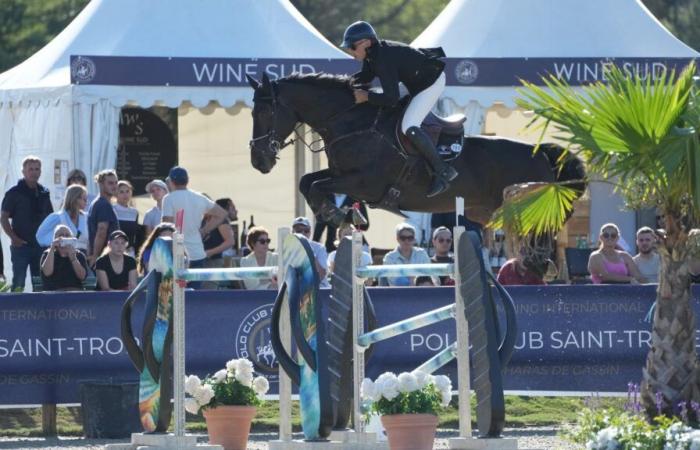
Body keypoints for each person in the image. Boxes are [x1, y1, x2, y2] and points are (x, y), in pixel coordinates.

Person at [340, 20, 457, 197]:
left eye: (351, 46)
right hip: (415, 81)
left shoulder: (382, 58)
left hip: (431, 83)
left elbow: (391, 99)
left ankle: (443, 171)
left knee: (408, 126)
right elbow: (365, 76)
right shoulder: (373, 54)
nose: (350, 51)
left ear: (365, 42)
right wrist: (341, 84)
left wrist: (366, 97)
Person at [161, 166, 228, 287]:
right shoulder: (199, 198)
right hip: (197, 253)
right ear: (187, 180)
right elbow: (222, 214)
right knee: (194, 296)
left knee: (176, 298)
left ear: (171, 181)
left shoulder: (168, 199)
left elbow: (166, 227)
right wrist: (204, 230)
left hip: (176, 254)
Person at [1, 156, 54, 290]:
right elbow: (3, 217)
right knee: (19, 282)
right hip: (21, 247)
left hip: (40, 246)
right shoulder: (14, 193)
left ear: (40, 172)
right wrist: (14, 238)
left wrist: (49, 240)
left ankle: (39, 310)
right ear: (23, 171)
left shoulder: (44, 192)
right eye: (30, 169)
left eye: (37, 169)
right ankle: (15, 310)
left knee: (40, 283)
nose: (34, 172)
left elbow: (51, 218)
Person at [36, 184, 89, 253]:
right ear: (75, 198)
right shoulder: (58, 217)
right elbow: (40, 235)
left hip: (83, 258)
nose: (86, 202)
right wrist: (58, 241)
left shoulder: (86, 217)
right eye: (84, 199)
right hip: (62, 257)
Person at [40, 225, 88, 291]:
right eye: (61, 235)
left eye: (67, 235)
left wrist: (73, 259)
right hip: (53, 294)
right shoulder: (47, 254)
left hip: (74, 293)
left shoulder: (79, 255)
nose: (64, 238)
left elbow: (82, 276)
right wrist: (52, 248)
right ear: (55, 238)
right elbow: (47, 273)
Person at [88, 169, 119, 268]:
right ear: (101, 184)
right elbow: (101, 231)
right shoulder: (103, 204)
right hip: (105, 258)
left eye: (115, 183)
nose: (114, 186)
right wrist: (96, 256)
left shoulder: (96, 203)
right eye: (110, 183)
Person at [201, 204, 235, 290]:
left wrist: (211, 252)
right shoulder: (202, 220)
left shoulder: (220, 221)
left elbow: (230, 241)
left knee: (207, 291)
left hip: (213, 261)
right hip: (201, 260)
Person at [292, 217, 329, 287]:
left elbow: (321, 275)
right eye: (298, 231)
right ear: (293, 232)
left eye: (306, 230)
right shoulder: (289, 249)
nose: (302, 233)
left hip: (319, 289)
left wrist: (309, 252)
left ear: (310, 232)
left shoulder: (320, 248)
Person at [113, 180, 141, 254]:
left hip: (130, 252)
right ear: (116, 194)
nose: (125, 195)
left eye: (127, 191)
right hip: (114, 251)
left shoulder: (134, 212)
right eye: (121, 192)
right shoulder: (112, 209)